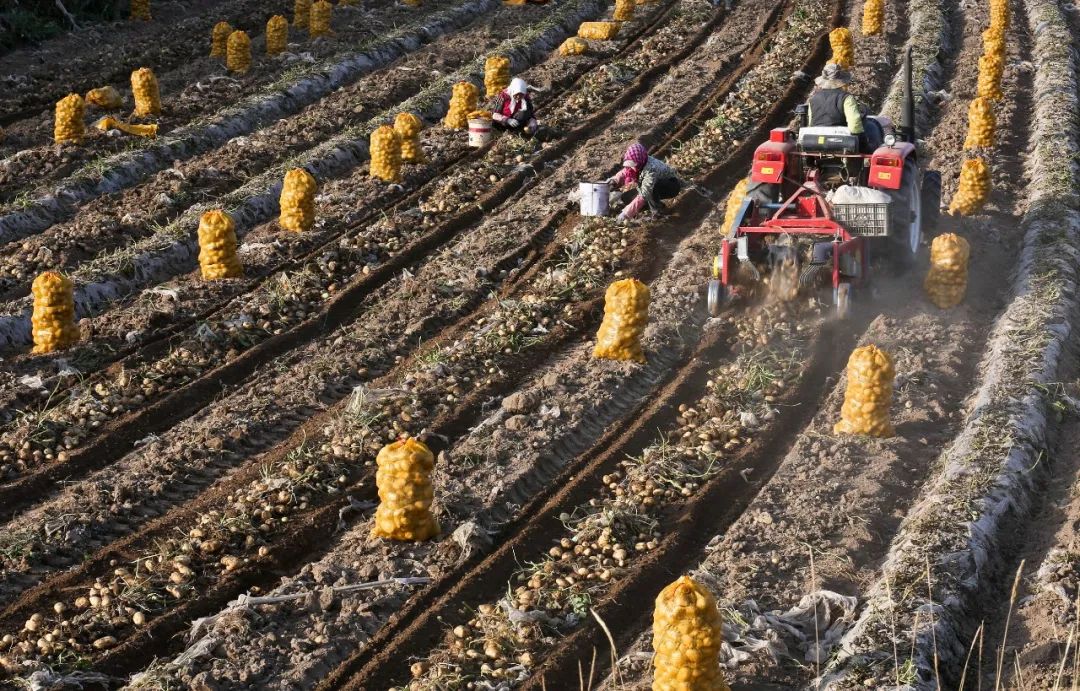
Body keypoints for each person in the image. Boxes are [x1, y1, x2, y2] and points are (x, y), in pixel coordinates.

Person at [806, 62, 882, 151]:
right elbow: (854, 124)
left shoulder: (813, 99)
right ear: (841, 80)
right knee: (871, 126)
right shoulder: (846, 98)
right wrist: (862, 143)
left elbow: (811, 122)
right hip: (841, 140)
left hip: (817, 141)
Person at [605, 142, 682, 221]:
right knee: (626, 198)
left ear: (639, 161)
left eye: (633, 165)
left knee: (651, 190)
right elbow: (625, 172)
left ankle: (658, 213)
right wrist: (614, 181)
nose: (632, 167)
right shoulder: (638, 162)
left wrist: (625, 214)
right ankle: (658, 205)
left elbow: (644, 195)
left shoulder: (651, 169)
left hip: (671, 186)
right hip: (651, 187)